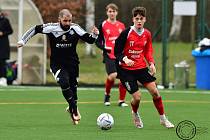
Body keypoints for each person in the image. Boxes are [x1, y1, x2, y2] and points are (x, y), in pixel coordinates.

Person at [17, 9, 99, 125]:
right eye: (65, 21)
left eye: (70, 20)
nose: (68, 23)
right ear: (59, 19)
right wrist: (23, 40)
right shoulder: (51, 28)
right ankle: (74, 110)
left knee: (73, 90)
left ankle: (72, 107)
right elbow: (35, 29)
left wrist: (95, 34)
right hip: (57, 64)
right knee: (64, 83)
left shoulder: (75, 28)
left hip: (73, 63)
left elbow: (90, 40)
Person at [114, 7, 174, 128]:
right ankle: (135, 113)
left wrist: (151, 63)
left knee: (155, 92)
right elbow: (117, 51)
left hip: (141, 67)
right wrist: (125, 59)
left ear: (145, 19)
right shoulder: (126, 33)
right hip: (126, 70)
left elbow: (147, 51)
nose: (139, 21)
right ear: (133, 19)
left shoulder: (147, 34)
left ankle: (163, 119)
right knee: (137, 98)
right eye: (137, 19)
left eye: (141, 19)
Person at [95, 3, 128, 107]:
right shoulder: (103, 25)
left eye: (113, 11)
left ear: (116, 12)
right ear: (107, 12)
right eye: (110, 11)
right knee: (112, 76)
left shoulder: (121, 25)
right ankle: (107, 95)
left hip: (120, 55)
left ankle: (121, 100)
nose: (112, 13)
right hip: (109, 54)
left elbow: (126, 40)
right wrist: (104, 48)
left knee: (124, 77)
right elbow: (98, 41)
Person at [0, 9, 13, 86]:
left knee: (2, 62)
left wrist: (2, 33)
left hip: (3, 45)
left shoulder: (5, 20)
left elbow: (10, 31)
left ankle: (3, 78)